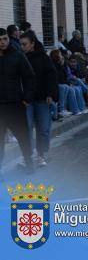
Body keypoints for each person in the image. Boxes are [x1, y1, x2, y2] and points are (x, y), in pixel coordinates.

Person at [0, 28, 35, 175]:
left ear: (9, 39)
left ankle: (29, 163)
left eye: (5, 39)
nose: (2, 42)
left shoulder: (17, 56)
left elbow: (29, 77)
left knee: (23, 136)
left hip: (15, 105)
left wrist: (27, 98)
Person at [20, 32, 58, 167]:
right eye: (21, 44)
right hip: (26, 101)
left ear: (32, 44)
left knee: (43, 128)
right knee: (27, 129)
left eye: (24, 44)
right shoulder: (20, 58)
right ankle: (27, 156)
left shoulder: (43, 58)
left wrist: (50, 94)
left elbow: (51, 76)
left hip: (42, 99)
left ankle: (41, 154)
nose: (22, 47)